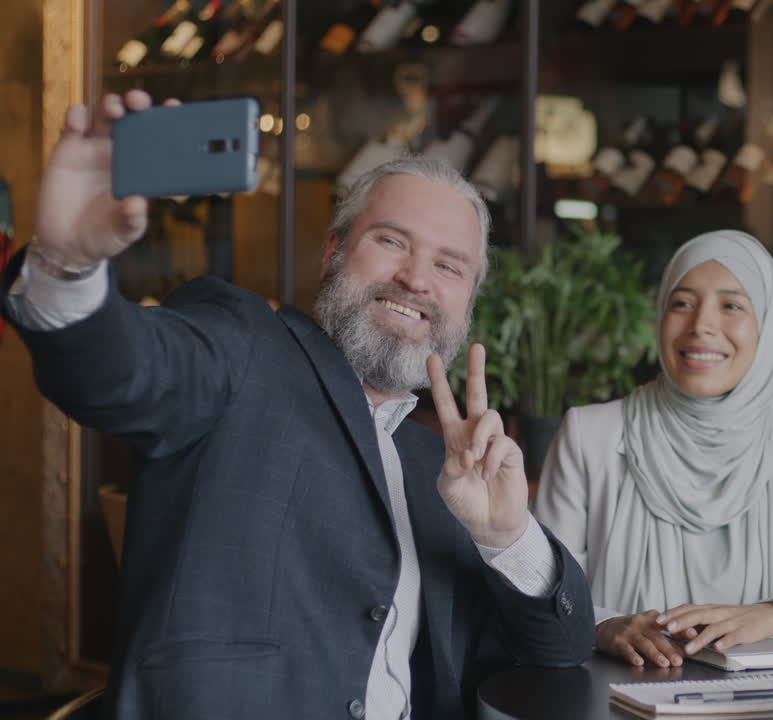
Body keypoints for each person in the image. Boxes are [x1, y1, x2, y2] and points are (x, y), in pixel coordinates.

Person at [1, 91, 594, 719]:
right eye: (392, 241)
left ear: (467, 305)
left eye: (450, 267)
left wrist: (505, 534)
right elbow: (119, 371)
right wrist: (68, 265)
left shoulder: (446, 471)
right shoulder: (241, 347)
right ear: (333, 252)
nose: (417, 279)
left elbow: (560, 647)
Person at [534, 230, 773, 668]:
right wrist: (605, 625)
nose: (702, 325)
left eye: (731, 306)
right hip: (614, 700)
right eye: (682, 303)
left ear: (766, 328)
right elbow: (544, 595)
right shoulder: (589, 437)